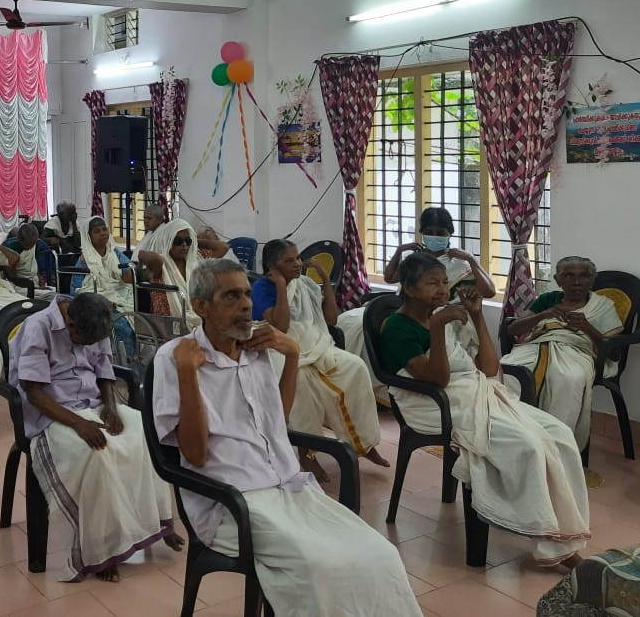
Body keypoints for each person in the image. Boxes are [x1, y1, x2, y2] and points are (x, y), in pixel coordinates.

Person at [153, 259, 423, 616]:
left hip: (287, 486)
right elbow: (196, 455)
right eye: (231, 296)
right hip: (230, 501)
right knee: (322, 567)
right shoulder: (175, 358)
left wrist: (292, 355)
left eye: (247, 294)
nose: (246, 305)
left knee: (380, 555)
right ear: (200, 306)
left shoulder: (257, 349)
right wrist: (188, 373)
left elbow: (276, 423)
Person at [379, 252, 590, 569]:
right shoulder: (397, 326)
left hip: (474, 392)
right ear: (408, 288)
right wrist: (436, 328)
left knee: (559, 434)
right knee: (529, 445)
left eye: (444, 281)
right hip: (430, 403)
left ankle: (565, 530)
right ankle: (547, 539)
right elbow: (438, 378)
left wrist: (477, 316)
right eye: (431, 283)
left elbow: (490, 370)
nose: (441, 289)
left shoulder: (448, 314)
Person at [10, 292, 183, 582]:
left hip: (91, 404)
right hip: (51, 413)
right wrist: (79, 424)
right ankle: (101, 550)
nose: (89, 346)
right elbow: (34, 392)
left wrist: (112, 406)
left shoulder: (96, 323)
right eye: (84, 341)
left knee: (144, 432)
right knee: (98, 455)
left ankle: (155, 524)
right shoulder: (38, 328)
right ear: (71, 324)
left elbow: (104, 370)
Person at [251, 240, 388, 481]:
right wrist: (281, 287)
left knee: (355, 367)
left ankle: (363, 444)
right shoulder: (262, 287)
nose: (296, 264)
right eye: (288, 260)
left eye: (297, 258)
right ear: (272, 266)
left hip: (315, 345)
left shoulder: (305, 284)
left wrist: (325, 283)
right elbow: (280, 327)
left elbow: (332, 321)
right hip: (279, 351)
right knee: (301, 384)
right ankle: (307, 454)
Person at [337, 205, 497, 381]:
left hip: (443, 314)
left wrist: (470, 259)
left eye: (440, 233)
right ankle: (363, 379)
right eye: (429, 231)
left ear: (449, 234)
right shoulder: (415, 260)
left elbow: (489, 290)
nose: (434, 236)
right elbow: (390, 277)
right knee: (351, 322)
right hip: (409, 310)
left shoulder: (458, 263)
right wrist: (400, 250)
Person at [500, 256, 623, 451]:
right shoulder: (548, 300)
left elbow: (615, 354)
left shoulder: (603, 306)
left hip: (577, 351)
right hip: (536, 347)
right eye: (569, 276)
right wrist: (543, 315)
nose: (576, 282)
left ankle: (556, 446)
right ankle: (513, 440)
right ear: (558, 280)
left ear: (593, 280)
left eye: (584, 276)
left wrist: (587, 327)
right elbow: (513, 329)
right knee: (508, 372)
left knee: (568, 378)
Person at [70, 216, 137, 357]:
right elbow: (76, 289)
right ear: (89, 237)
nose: (103, 233)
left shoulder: (114, 252)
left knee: (142, 317)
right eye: (97, 231)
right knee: (122, 324)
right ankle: (124, 365)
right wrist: (100, 301)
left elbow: (128, 276)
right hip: (96, 298)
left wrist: (135, 270)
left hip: (120, 294)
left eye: (105, 229)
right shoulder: (85, 258)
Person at [137, 218, 201, 330]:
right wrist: (141, 256)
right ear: (168, 241)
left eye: (188, 241)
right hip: (170, 320)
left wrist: (195, 240)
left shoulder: (193, 262)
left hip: (195, 314)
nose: (184, 245)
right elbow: (145, 254)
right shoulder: (161, 264)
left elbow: (223, 248)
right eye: (178, 241)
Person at [5, 223, 55, 299]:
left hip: (34, 283)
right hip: (19, 286)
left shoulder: (36, 245)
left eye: (33, 244)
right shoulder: (11, 249)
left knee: (56, 291)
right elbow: (12, 277)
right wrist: (33, 287)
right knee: (51, 296)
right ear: (19, 240)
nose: (30, 247)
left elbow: (34, 264)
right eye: (28, 245)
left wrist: (40, 282)